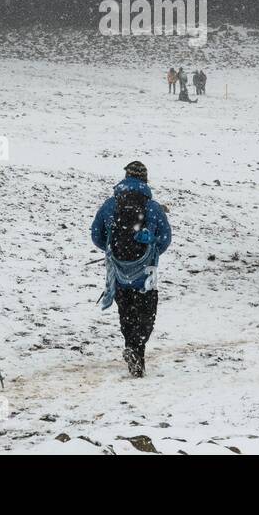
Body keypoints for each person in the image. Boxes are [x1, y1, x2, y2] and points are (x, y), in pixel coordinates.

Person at [90, 161, 172, 377]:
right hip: (146, 275)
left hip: (118, 273)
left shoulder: (109, 206)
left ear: (125, 177)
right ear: (145, 179)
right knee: (146, 316)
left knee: (126, 315)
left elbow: (96, 236)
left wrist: (113, 249)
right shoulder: (153, 208)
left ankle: (133, 351)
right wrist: (150, 250)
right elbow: (165, 239)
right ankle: (137, 349)